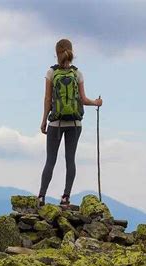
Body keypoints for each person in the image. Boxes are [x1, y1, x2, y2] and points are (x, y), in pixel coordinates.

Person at [37, 38, 103, 207]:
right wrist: (96, 102)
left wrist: (44, 119)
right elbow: (83, 99)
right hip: (74, 124)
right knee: (70, 160)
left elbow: (47, 99)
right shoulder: (77, 73)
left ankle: (41, 197)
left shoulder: (51, 73)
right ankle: (66, 197)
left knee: (50, 160)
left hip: (55, 123)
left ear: (56, 53)